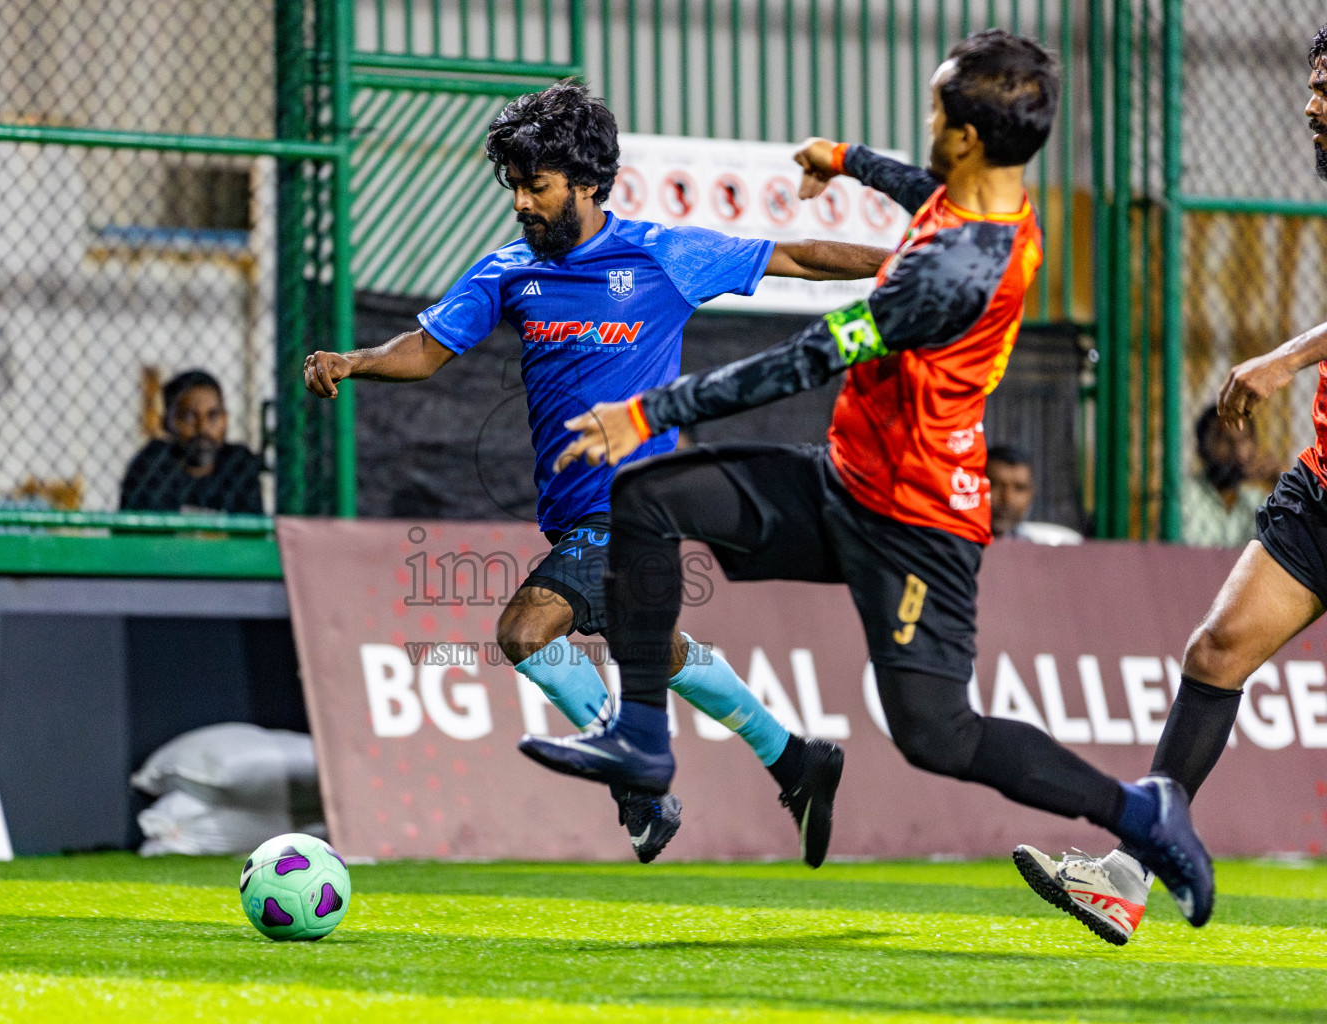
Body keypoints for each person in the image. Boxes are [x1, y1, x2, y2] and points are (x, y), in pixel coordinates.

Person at [519, 30, 1215, 929]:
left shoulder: (945, 273)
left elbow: (812, 355)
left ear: (965, 136)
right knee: (647, 497)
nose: (928, 123)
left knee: (937, 735)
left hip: (916, 522)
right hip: (846, 478)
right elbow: (923, 194)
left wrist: (650, 412)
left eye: (936, 110)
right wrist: (848, 162)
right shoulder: (986, 204)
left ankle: (1138, 812)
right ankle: (643, 744)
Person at [304, 81, 892, 865]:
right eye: (513, 185)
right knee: (658, 650)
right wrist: (354, 361)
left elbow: (796, 255)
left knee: (524, 630)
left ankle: (638, 783)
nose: (520, 202)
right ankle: (796, 759)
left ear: (586, 181)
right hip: (578, 511)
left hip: (632, 505)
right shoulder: (507, 272)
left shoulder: (662, 253)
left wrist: (909, 273)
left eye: (535, 185)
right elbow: (425, 349)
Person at [1013, 22, 1327, 945]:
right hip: (1321, 489)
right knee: (1216, 653)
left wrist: (1286, 356)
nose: (1310, 101)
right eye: (1311, 81)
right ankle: (1128, 874)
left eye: (1326, 83)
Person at [120, 370, 264, 514]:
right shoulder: (151, 466)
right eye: (189, 417)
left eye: (212, 416)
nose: (202, 428)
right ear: (167, 422)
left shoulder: (238, 464)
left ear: (225, 419)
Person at [1181, 404, 1270, 548]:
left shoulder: (1260, 500)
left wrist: (1279, 482)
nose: (1236, 449)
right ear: (1201, 450)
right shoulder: (1184, 497)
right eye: (1224, 439)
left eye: (1243, 440)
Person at [983, 444, 1082, 544]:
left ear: (1031, 492)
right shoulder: (968, 546)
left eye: (1019, 488)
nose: (1007, 498)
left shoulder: (1054, 544)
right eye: (995, 486)